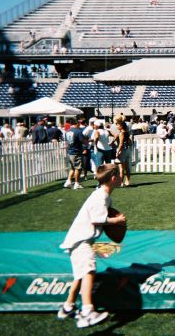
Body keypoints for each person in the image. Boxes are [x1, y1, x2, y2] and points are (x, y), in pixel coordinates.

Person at [58, 163, 126, 328]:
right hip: (81, 241)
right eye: (120, 174)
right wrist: (116, 221)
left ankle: (67, 307)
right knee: (89, 270)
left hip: (81, 239)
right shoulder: (101, 196)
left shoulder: (104, 195)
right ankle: (87, 312)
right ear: (113, 178)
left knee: (80, 275)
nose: (122, 176)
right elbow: (97, 219)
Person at [64, 118, 86, 190]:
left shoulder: (67, 131)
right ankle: (77, 183)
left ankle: (68, 181)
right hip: (76, 151)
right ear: (77, 123)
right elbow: (82, 141)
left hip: (70, 151)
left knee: (72, 168)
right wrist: (88, 140)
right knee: (78, 168)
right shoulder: (78, 131)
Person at [114, 115, 132, 187]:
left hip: (123, 151)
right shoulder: (127, 132)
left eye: (117, 125)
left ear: (121, 126)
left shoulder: (121, 133)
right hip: (127, 150)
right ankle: (127, 181)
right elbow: (130, 142)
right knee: (127, 167)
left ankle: (121, 182)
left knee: (121, 168)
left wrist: (118, 152)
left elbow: (121, 144)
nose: (117, 126)